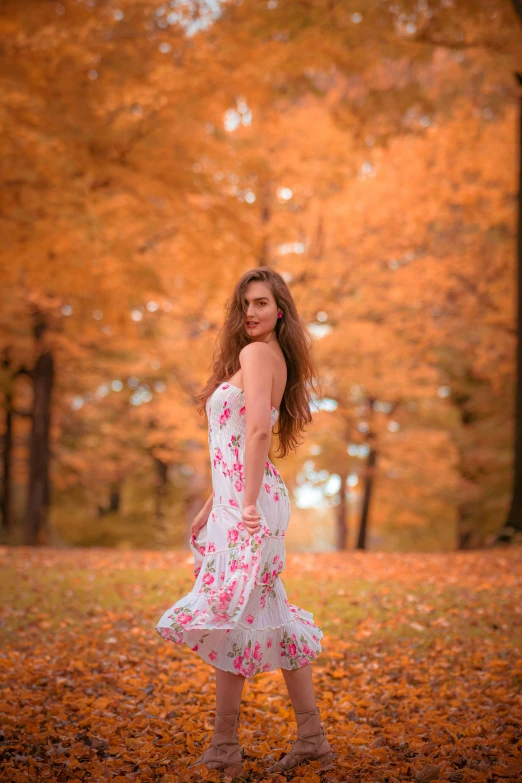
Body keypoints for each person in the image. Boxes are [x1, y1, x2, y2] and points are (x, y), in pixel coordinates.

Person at [155, 266, 335, 777]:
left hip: (250, 504)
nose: (251, 312)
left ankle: (224, 747)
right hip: (241, 498)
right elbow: (232, 445)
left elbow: (258, 430)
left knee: (232, 613)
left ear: (280, 310)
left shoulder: (257, 354)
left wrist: (247, 504)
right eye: (245, 304)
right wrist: (217, 502)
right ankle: (310, 740)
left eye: (261, 303)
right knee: (263, 609)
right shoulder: (264, 355)